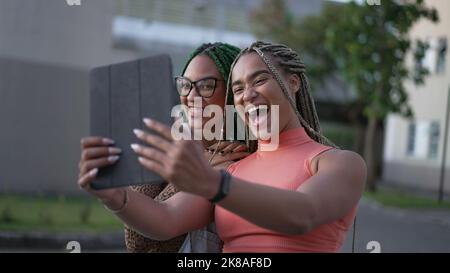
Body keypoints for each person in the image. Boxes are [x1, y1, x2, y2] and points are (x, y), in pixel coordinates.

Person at [79, 41, 366, 253]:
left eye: (260, 79)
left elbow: (303, 214)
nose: (248, 95)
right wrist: (113, 195)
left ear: (293, 82)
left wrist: (213, 183)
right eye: (238, 88)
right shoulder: (234, 167)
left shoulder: (338, 163)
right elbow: (164, 220)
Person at [78, 42, 248, 252]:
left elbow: (142, 240)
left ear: (234, 91)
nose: (191, 96)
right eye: (186, 85)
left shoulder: (235, 161)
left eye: (206, 85)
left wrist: (114, 195)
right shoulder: (181, 147)